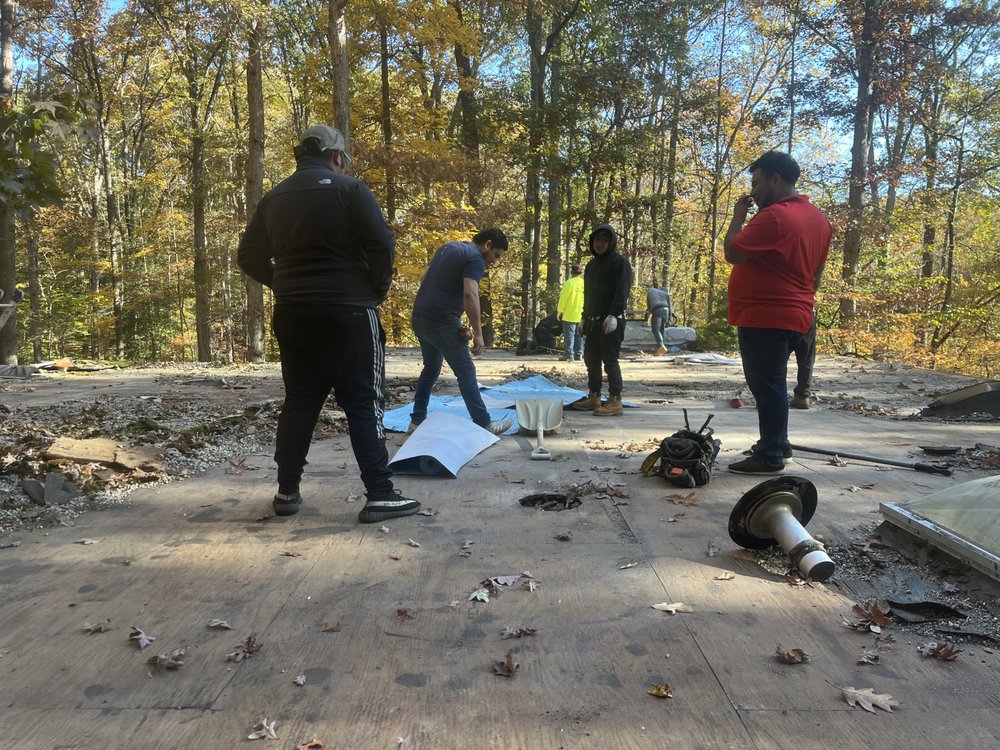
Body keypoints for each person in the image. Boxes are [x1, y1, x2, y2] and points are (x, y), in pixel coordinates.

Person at [237, 125, 420, 524]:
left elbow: (249, 256)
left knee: (300, 401)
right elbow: (382, 244)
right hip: (350, 312)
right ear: (336, 157)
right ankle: (380, 494)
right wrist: (373, 290)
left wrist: (286, 284)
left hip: (293, 313)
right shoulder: (350, 190)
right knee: (363, 401)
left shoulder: (275, 197)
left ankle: (286, 491)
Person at [723, 151, 831, 474]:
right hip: (797, 314)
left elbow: (732, 252)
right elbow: (818, 271)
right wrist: (802, 299)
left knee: (767, 386)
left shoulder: (773, 218)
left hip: (766, 315)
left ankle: (770, 455)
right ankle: (779, 444)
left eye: (756, 183)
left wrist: (738, 216)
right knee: (775, 386)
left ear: (775, 179)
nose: (753, 192)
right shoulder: (819, 220)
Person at [409, 229, 514, 435]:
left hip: (420, 317)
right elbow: (470, 292)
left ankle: (416, 421)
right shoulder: (476, 258)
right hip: (443, 321)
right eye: (496, 255)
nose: (493, 261)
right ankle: (485, 424)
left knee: (430, 369)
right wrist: (478, 332)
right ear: (488, 244)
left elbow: (424, 279)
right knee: (466, 372)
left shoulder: (449, 248)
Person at [569, 224, 633, 417]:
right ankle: (594, 395)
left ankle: (615, 399)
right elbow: (588, 294)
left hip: (611, 320)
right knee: (591, 359)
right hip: (593, 321)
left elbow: (622, 291)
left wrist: (614, 315)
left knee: (610, 360)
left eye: (604, 241)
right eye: (597, 240)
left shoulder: (620, 263)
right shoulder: (591, 265)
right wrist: (583, 317)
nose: (600, 244)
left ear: (611, 242)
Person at [556, 263, 585, 361]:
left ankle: (569, 354)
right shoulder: (584, 284)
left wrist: (560, 310)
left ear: (572, 272)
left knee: (569, 335)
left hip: (570, 313)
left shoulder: (569, 283)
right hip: (581, 313)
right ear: (581, 273)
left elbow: (563, 298)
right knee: (579, 334)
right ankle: (579, 353)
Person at [790, 313, 816, 409]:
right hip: (805, 313)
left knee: (776, 358)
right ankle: (802, 396)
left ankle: (771, 397)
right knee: (806, 358)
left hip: (777, 312)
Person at [646, 285, 672, 356]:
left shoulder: (650, 291)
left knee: (655, 329)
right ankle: (660, 349)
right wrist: (670, 319)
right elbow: (670, 307)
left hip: (657, 309)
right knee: (661, 329)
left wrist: (646, 318)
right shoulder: (666, 294)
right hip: (666, 310)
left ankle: (661, 346)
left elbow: (648, 307)